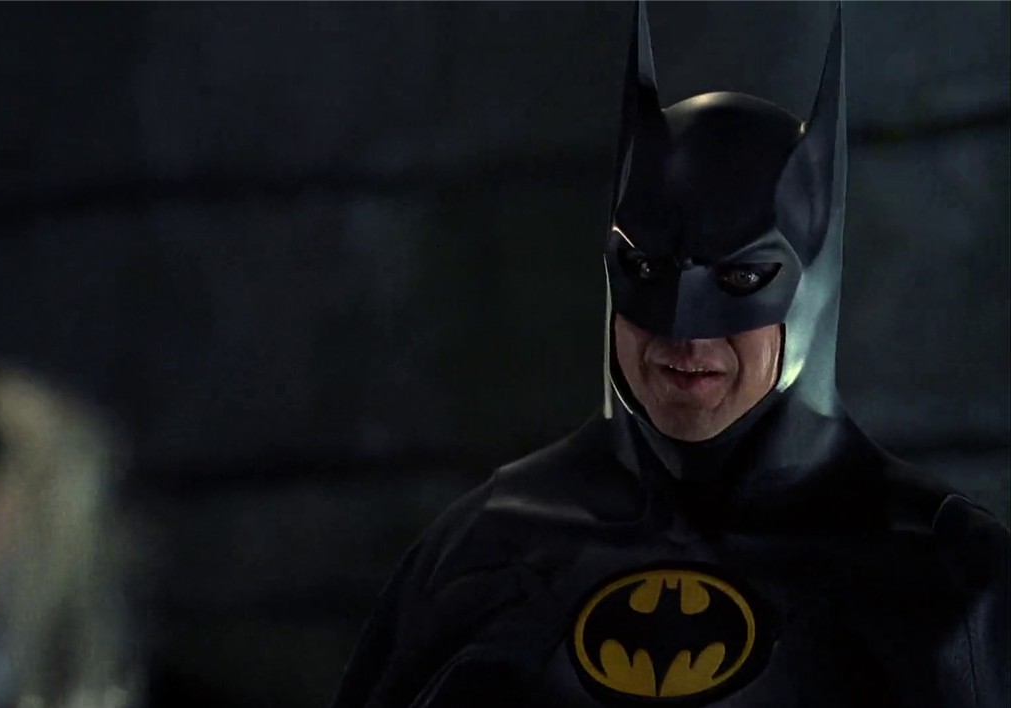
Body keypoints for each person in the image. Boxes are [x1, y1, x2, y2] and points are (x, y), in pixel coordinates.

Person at [330, 4, 1009, 707]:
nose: (685, 335)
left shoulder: (942, 573)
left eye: (741, 279)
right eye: (647, 270)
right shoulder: (488, 548)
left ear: (812, 284)